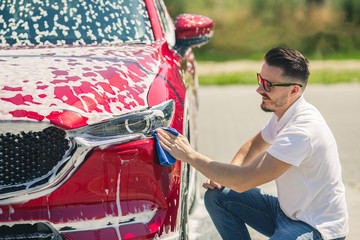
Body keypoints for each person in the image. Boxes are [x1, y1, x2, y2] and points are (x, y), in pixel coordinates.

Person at [156, 47, 348, 240]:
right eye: (260, 79)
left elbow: (244, 180)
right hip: (286, 213)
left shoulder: (302, 132)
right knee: (219, 196)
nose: (259, 89)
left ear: (293, 90)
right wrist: (226, 175)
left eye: (268, 85)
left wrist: (189, 155)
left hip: (316, 228)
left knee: (233, 184)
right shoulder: (286, 112)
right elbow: (253, 146)